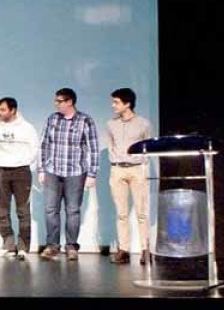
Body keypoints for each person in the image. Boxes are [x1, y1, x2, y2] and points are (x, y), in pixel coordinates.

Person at [38, 88, 100, 262]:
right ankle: (52, 246)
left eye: (59, 101)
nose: (56, 104)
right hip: (53, 171)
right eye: (56, 100)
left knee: (72, 210)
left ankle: (72, 246)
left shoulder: (85, 120)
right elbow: (44, 145)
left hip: (75, 172)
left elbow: (93, 148)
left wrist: (92, 174)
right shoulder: (52, 119)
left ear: (70, 102)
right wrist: (42, 169)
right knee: (51, 210)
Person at [106, 88, 154, 265]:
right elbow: (111, 145)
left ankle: (145, 250)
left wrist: (139, 161)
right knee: (121, 213)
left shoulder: (144, 123)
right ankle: (123, 250)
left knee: (142, 212)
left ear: (127, 103)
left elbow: (148, 147)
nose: (113, 105)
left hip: (137, 169)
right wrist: (115, 160)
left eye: (116, 102)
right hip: (118, 170)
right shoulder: (111, 124)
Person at [0, 97, 38, 260]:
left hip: (21, 171)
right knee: (2, 209)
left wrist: (21, 161)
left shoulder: (27, 128)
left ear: (13, 110)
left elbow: (34, 149)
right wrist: (3, 161)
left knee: (23, 210)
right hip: (2, 170)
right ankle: (8, 244)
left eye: (3, 110)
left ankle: (23, 246)